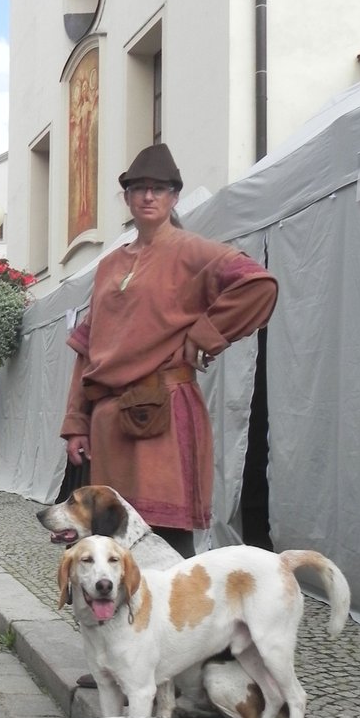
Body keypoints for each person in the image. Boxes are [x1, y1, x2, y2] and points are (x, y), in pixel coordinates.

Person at [60, 143, 278, 559]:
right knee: (110, 538)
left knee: (165, 538)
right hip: (108, 422)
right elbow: (86, 349)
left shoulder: (191, 250)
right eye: (139, 188)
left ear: (174, 196)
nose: (148, 196)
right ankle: (117, 623)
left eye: (159, 188)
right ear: (126, 197)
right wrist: (76, 422)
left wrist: (204, 335)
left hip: (162, 414)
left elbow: (257, 283)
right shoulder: (108, 265)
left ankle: (178, 623)